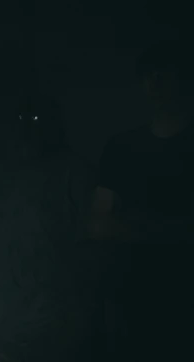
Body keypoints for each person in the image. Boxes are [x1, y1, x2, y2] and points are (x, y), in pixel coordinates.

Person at [0, 90, 99, 362]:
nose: (28, 124)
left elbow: (93, 245)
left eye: (37, 117)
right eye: (21, 117)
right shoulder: (0, 173)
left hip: (48, 325)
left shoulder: (73, 172)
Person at [91, 40, 194, 360]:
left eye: (164, 74)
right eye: (148, 76)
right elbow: (97, 225)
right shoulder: (122, 148)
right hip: (130, 302)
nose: (155, 83)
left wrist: (132, 225)